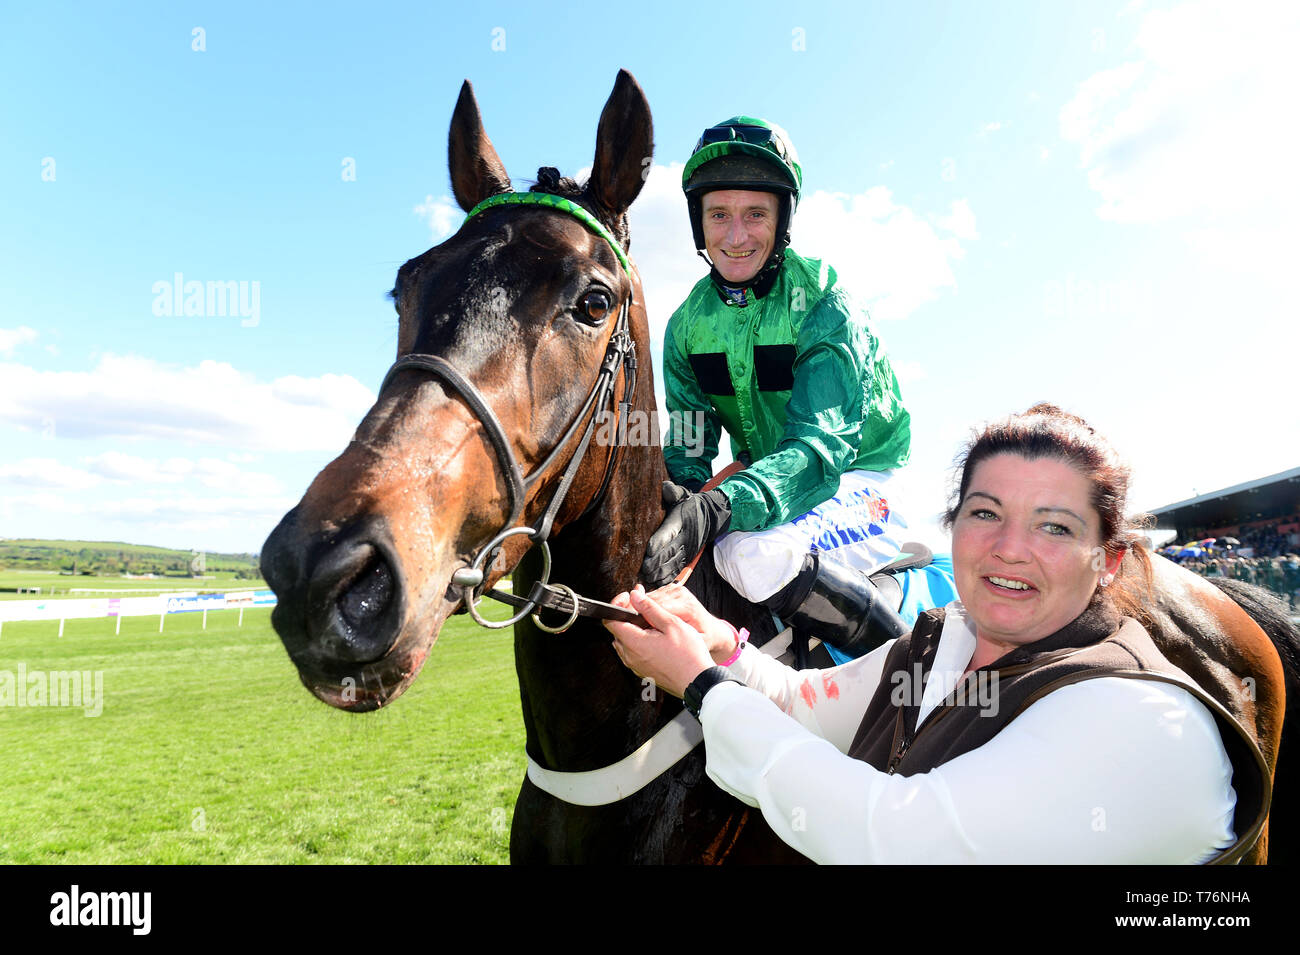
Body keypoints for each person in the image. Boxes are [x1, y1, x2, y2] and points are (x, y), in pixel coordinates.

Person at [610, 404, 1269, 863]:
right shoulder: (946, 638)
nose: (1010, 548)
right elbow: (804, 704)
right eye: (986, 512)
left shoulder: (1140, 718)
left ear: (1112, 560)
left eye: (1055, 526)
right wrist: (725, 646)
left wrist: (702, 686)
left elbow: (893, 842)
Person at [640, 116, 920, 658]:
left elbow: (819, 451)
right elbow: (691, 443)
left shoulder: (824, 300)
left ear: (781, 220)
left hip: (861, 479)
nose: (737, 235)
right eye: (719, 215)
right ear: (699, 224)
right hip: (767, 482)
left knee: (750, 554)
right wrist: (675, 493)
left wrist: (717, 509)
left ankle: (913, 686)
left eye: (755, 215)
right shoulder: (686, 325)